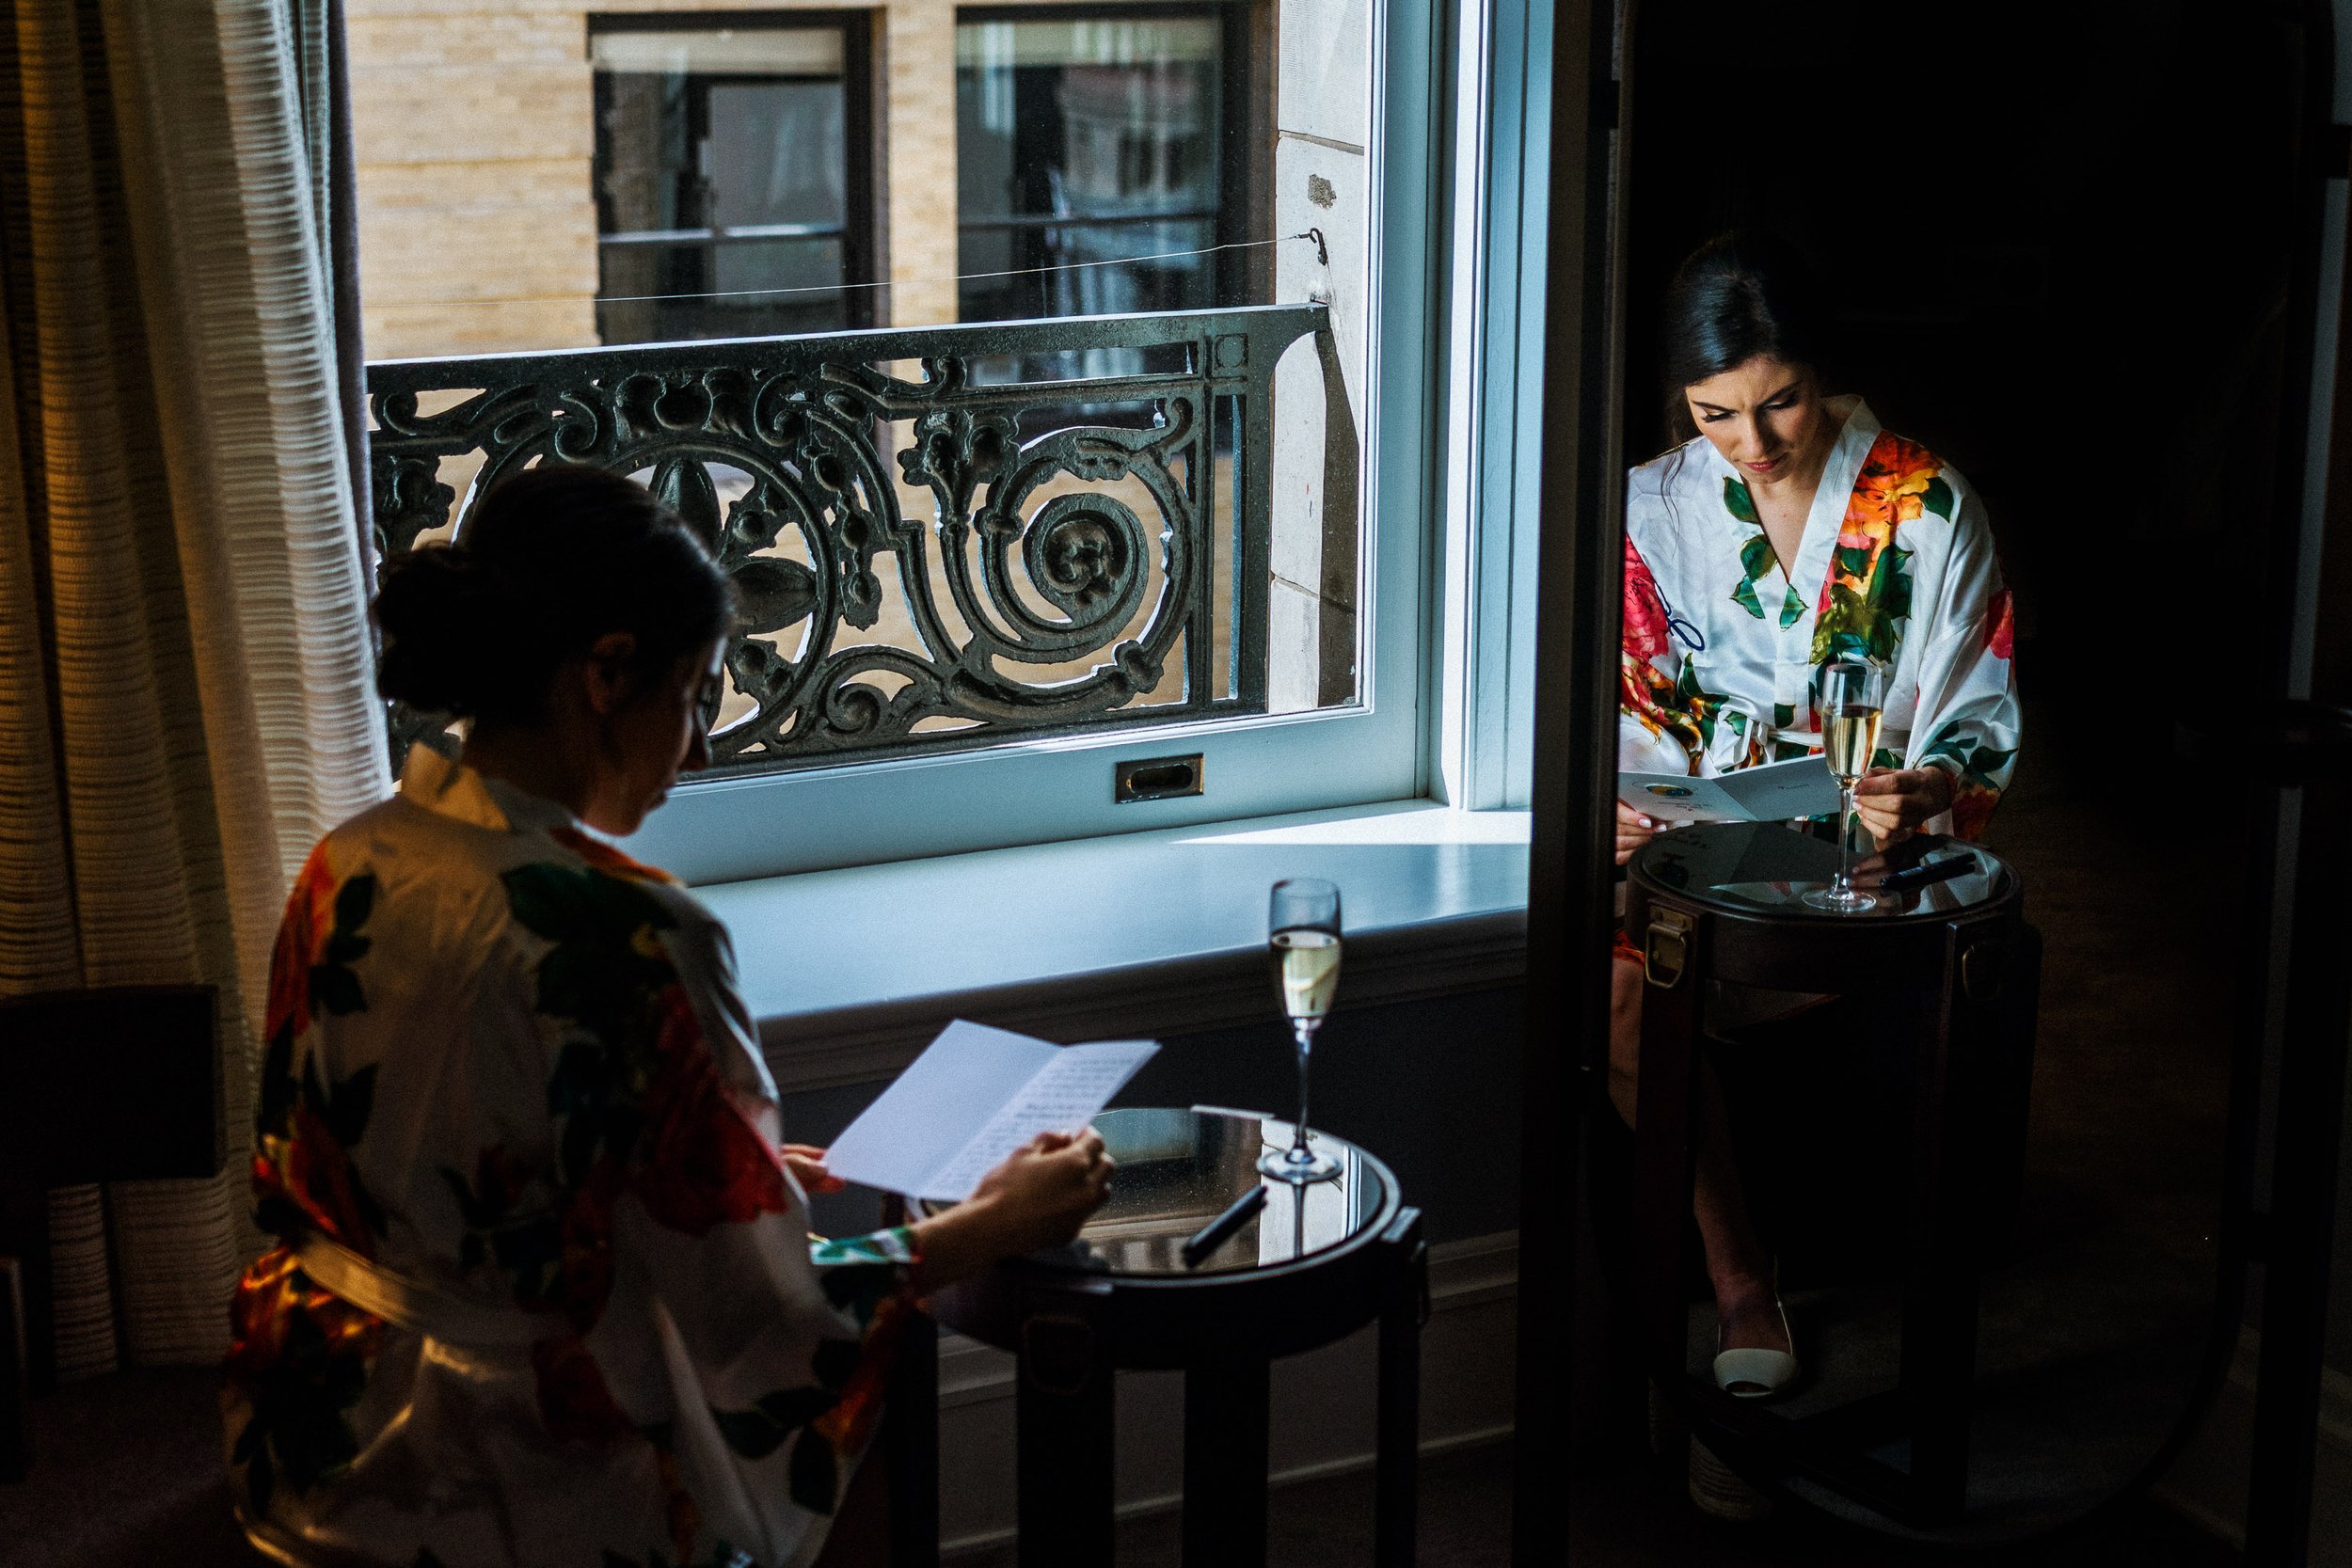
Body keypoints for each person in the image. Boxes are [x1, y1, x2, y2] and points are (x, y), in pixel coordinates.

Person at [223, 466, 1115, 1568]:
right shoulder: (627, 935)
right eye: (692, 694)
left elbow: (394, 1144)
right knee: (873, 1424)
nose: (695, 751)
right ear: (605, 671)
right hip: (509, 1482)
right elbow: (762, 1314)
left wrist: (661, 1170)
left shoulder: (345, 861)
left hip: (315, 1426)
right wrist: (987, 1224)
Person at [1611, 232, 2021, 1398]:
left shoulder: (1926, 502)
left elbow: (1974, 711)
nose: (1754, 445)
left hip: (1870, 863)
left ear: (1816, 374)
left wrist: (1927, 786)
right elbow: (1626, 716)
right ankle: (1742, 1279)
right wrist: (1624, 805)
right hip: (1693, 861)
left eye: (1778, 403)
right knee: (1619, 992)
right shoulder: (1649, 511)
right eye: (1715, 416)